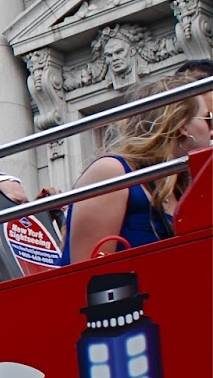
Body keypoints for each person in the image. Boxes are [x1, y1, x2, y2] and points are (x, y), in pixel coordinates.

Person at [61, 72, 213, 263]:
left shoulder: (176, 186)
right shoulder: (111, 171)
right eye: (208, 119)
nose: (212, 130)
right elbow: (87, 276)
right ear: (183, 126)